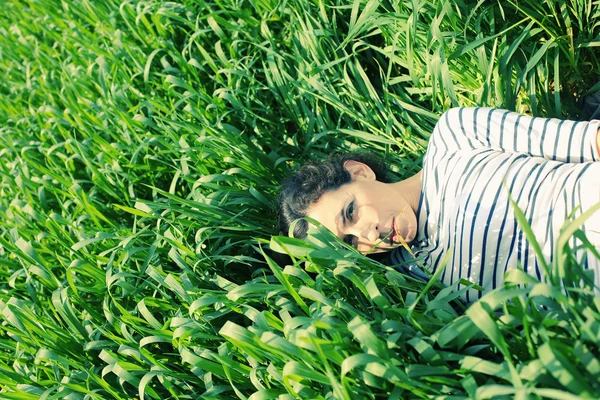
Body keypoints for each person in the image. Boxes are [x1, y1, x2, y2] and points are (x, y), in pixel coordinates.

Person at [278, 107, 600, 303]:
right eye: (349, 242)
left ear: (360, 172)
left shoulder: (454, 137)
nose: (368, 235)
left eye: (350, 212)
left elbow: (588, 142)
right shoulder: (413, 269)